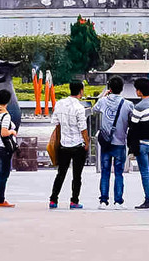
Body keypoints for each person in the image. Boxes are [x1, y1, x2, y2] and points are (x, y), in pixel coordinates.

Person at [49, 79, 90, 210]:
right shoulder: (79, 108)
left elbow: (56, 122)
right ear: (81, 91)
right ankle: (74, 201)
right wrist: (87, 143)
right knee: (77, 176)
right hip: (78, 145)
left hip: (63, 145)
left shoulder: (60, 104)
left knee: (61, 173)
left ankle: (53, 200)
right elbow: (83, 128)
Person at [94, 76, 132, 206]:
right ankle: (118, 201)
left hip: (106, 143)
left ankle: (103, 200)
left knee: (105, 172)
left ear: (109, 88)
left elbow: (94, 110)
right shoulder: (128, 104)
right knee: (119, 173)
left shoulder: (102, 102)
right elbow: (132, 121)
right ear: (122, 89)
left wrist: (103, 96)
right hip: (120, 143)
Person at [127, 76, 149, 210]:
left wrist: (131, 146)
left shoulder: (139, 107)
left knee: (145, 172)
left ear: (140, 91)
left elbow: (133, 126)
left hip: (143, 144)